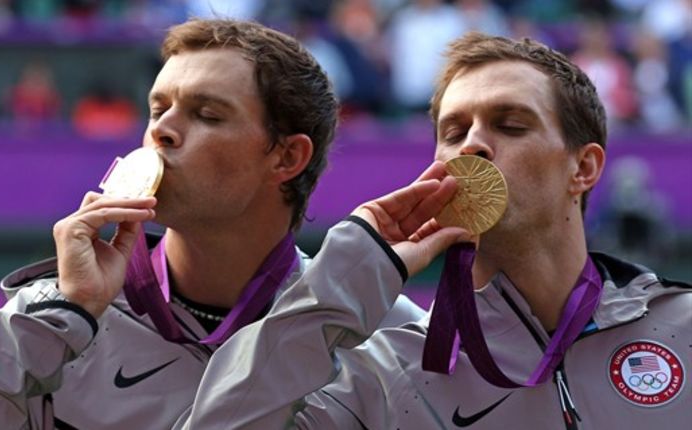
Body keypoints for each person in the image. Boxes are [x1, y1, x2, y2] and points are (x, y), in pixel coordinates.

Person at [182, 32, 692, 429]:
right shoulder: (386, 374)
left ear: (583, 168)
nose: (473, 146)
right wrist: (342, 275)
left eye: (511, 125)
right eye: (453, 132)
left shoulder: (682, 328)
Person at [0, 18, 358, 429]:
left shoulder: (374, 337)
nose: (161, 131)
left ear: (287, 156)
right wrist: (67, 313)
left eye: (207, 115)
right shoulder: (57, 319)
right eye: (157, 109)